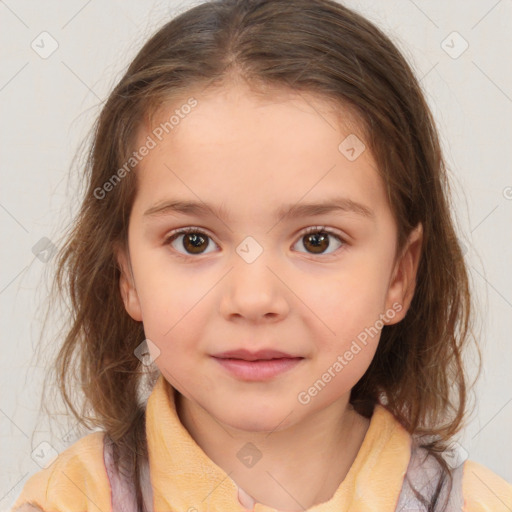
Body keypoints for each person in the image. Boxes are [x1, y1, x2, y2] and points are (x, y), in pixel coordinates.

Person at [11, 0, 512, 511]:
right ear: (129, 276)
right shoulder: (67, 501)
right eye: (194, 241)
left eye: (318, 240)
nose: (253, 299)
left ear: (398, 277)